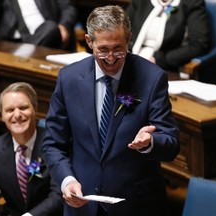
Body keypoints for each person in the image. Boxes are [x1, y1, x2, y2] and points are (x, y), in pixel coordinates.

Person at [42, 5, 179, 216]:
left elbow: (171, 142)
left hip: (135, 204)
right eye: (103, 50)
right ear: (89, 42)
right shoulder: (68, 78)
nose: (112, 58)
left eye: (118, 48)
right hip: (83, 202)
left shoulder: (152, 78)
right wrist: (66, 180)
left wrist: (150, 143)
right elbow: (52, 144)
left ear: (129, 39)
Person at [0, 82, 63, 216]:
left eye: (23, 108)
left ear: (35, 108)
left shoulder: (54, 143)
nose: (17, 115)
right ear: (2, 116)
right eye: (10, 110)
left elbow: (58, 195)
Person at [126, 0, 210, 71]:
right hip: (130, 58)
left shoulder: (192, 3)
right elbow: (121, 29)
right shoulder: (141, 1)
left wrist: (160, 60)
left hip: (164, 66)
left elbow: (198, 44)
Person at [0, 0, 77, 51]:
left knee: (50, 28)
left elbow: (67, 7)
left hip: (47, 38)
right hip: (9, 45)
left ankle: (24, 56)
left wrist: (64, 26)